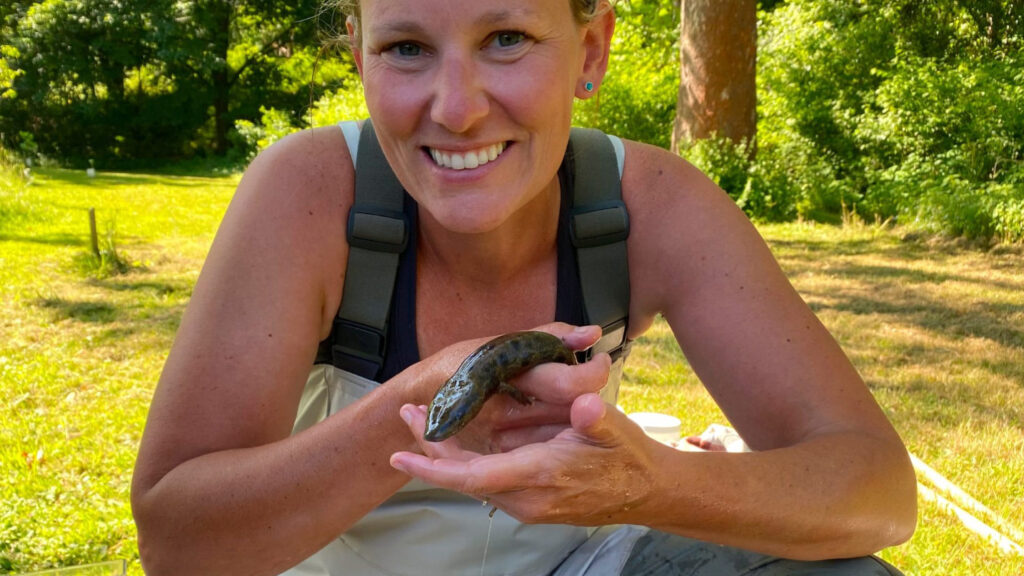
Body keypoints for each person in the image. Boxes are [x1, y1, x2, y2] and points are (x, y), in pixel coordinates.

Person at [130, 1, 917, 574]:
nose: (457, 109)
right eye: (405, 47)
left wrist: (649, 484)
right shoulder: (303, 194)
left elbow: (877, 491)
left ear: (591, 50)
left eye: (507, 39)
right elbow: (177, 539)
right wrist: (419, 415)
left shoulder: (655, 205)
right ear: (358, 52)